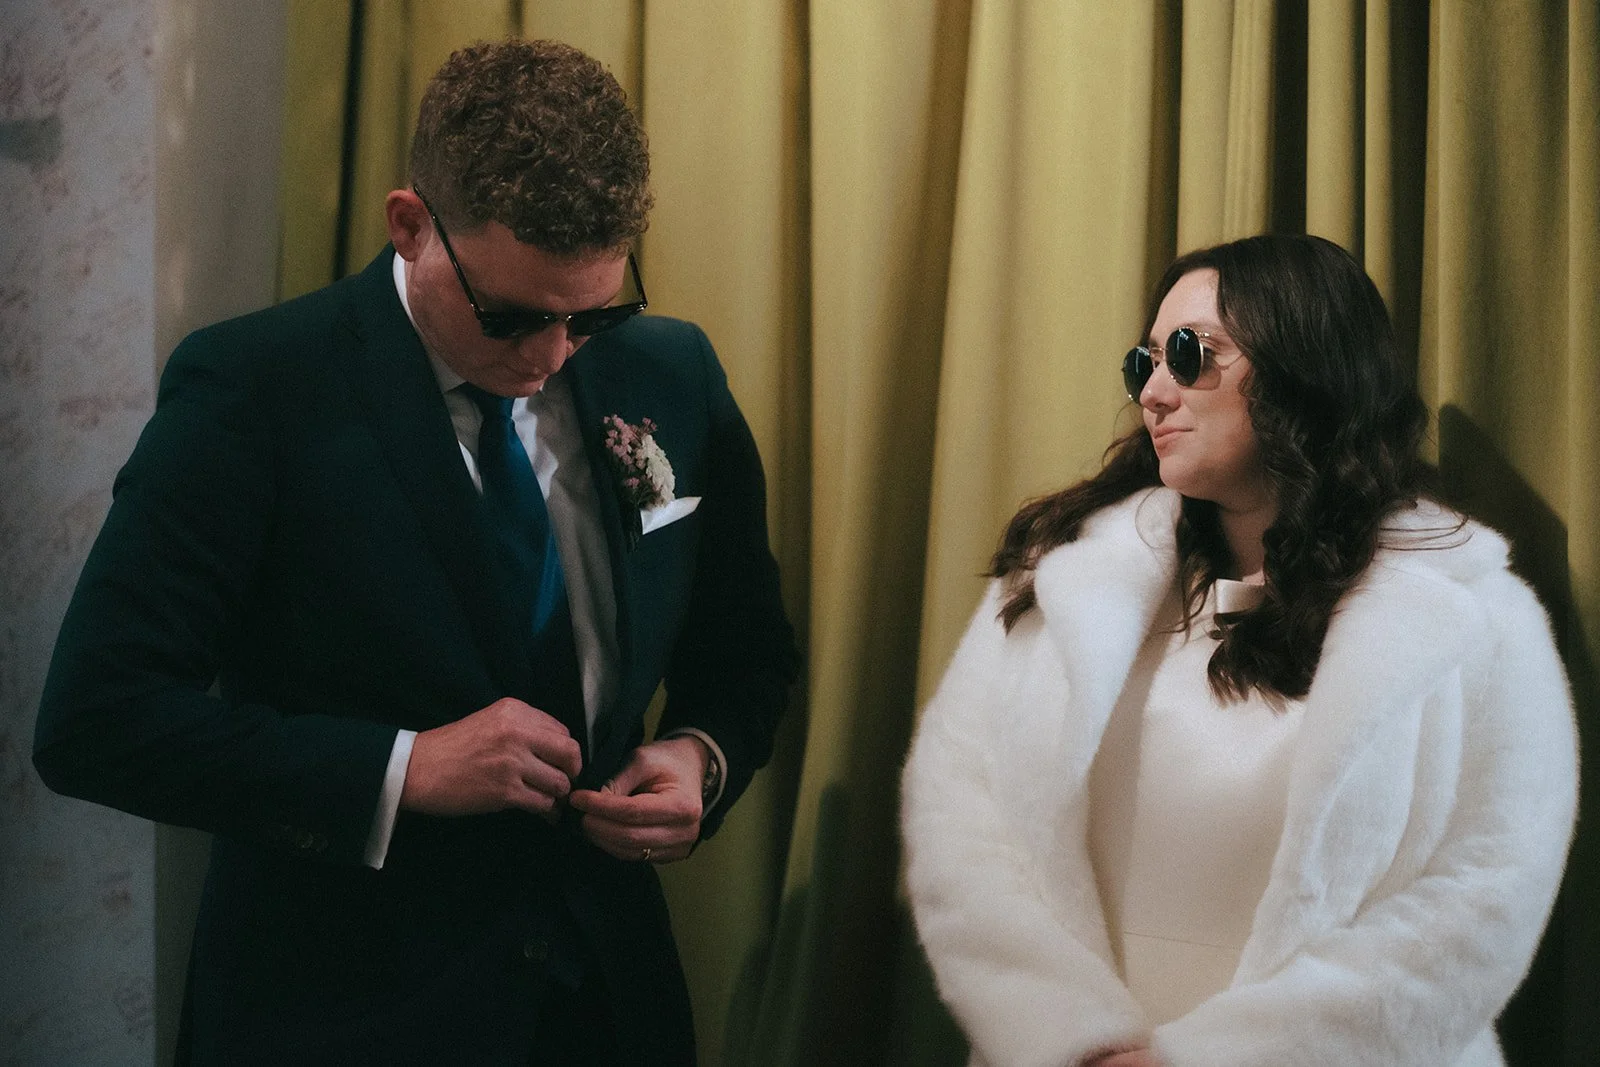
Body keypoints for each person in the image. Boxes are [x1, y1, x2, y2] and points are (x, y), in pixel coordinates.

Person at [34, 38, 798, 1065]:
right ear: (409, 226)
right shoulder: (255, 392)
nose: (551, 357)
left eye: (593, 312)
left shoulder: (671, 372)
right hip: (342, 1007)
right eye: (513, 314)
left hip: (605, 1001)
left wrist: (699, 759)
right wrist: (402, 768)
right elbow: (97, 717)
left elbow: (746, 650)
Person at [900, 234, 1576, 1067]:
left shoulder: (1473, 614)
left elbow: (1486, 890)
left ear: (1304, 368)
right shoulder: (1064, 582)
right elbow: (959, 824)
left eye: (1191, 355)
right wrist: (1074, 1038)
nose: (1152, 393)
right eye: (1142, 362)